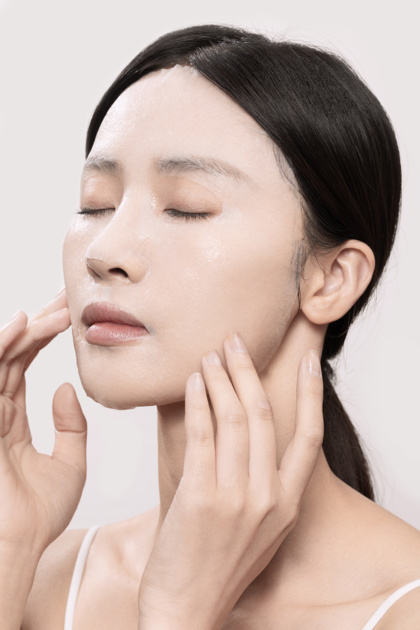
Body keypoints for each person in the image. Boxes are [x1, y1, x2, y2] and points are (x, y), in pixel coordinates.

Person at [1, 23, 419, 630]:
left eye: (186, 208)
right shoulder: (39, 577)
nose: (105, 250)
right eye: (96, 203)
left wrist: (178, 613)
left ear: (331, 278)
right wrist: (10, 554)